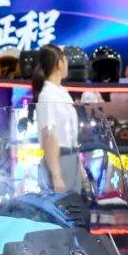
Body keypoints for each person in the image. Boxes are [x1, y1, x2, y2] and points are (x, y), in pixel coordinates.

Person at [32, 44, 81, 194]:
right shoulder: (47, 95)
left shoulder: (62, 92)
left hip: (71, 159)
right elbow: (49, 136)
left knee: (75, 205)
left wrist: (79, 167)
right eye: (65, 60)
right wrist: (56, 175)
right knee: (60, 206)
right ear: (59, 63)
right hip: (58, 162)